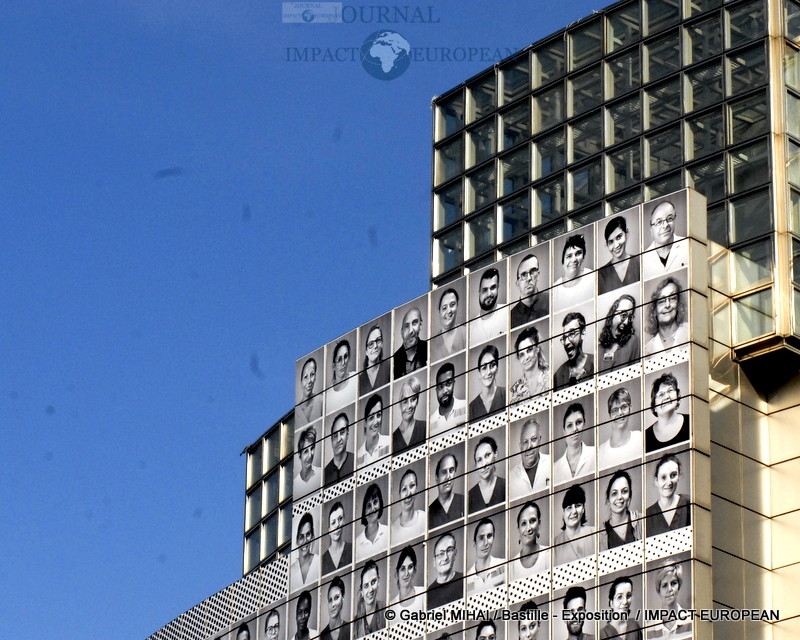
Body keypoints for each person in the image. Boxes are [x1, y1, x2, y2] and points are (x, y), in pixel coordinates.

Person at [642, 201, 689, 279]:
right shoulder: (643, 260)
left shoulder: (688, 245)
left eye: (670, 218)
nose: (665, 225)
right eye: (659, 222)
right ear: (651, 230)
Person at [646, 454, 690, 535]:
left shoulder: (688, 503)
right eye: (663, 477)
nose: (669, 482)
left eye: (673, 475)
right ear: (656, 481)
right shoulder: (647, 514)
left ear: (679, 477)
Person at [645, 373, 690, 453]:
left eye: (670, 391)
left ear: (677, 396)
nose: (666, 397)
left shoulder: (691, 421)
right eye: (661, 394)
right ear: (654, 406)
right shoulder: (645, 437)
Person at [599, 388, 643, 469]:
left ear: (630, 409)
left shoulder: (641, 438)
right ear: (609, 415)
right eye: (615, 410)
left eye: (624, 407)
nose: (620, 413)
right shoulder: (600, 452)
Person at [644, 277, 689, 355]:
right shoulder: (647, 350)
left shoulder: (690, 331)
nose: (667, 305)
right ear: (654, 310)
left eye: (672, 298)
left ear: (678, 303)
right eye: (661, 301)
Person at [553, 403, 596, 485]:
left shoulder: (596, 453)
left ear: (584, 424)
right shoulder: (554, 469)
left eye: (578, 422)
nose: (575, 429)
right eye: (569, 425)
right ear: (564, 431)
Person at [600, 470, 641, 551]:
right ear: (608, 500)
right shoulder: (600, 535)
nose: (619, 497)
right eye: (614, 493)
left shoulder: (642, 521)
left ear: (629, 496)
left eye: (624, 491)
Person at [648, 562, 692, 638]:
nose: (669, 589)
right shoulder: (649, 628)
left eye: (673, 583)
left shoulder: (691, 621)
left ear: (679, 586)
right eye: (664, 585)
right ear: (659, 590)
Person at [598, 216, 640, 295]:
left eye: (619, 237)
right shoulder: (600, 275)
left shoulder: (639, 262)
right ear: (607, 244)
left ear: (626, 234)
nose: (616, 245)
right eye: (611, 242)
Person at [509, 418, 551, 496]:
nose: (529, 446)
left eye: (533, 439)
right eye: (525, 442)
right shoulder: (510, 478)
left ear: (540, 440)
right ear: (520, 446)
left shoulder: (551, 462)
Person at [598, 295, 640, 371]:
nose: (626, 322)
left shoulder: (633, 341)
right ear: (612, 314)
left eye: (630, 317)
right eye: (623, 315)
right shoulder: (598, 350)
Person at [554, 484, 594, 565]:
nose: (574, 511)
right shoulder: (555, 543)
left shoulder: (596, 534)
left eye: (578, 506)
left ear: (583, 509)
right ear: (563, 512)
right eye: (569, 507)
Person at [510, 501, 549, 580]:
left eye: (532, 521)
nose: (528, 528)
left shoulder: (548, 554)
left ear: (539, 524)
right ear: (518, 529)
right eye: (523, 523)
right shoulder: (511, 566)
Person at [553, 312, 594, 389]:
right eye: (564, 337)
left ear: (582, 333)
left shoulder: (596, 362)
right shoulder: (557, 377)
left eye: (572, 334)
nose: (566, 342)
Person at [553, 235, 594, 310]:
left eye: (578, 253)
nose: (574, 259)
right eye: (569, 256)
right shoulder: (555, 289)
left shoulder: (592, 276)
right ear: (563, 262)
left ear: (583, 257)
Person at [510, 326, 550, 402]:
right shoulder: (514, 391)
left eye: (529, 350)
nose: (526, 357)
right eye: (522, 354)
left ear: (537, 348)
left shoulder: (550, 377)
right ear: (518, 358)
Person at [469, 344, 507, 421]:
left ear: (497, 368)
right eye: (484, 368)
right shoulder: (472, 407)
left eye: (492, 365)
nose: (488, 372)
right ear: (479, 373)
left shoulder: (506, 394)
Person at [468, 436, 506, 512]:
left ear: (495, 455)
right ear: (476, 465)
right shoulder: (469, 496)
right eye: (479, 460)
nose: (484, 464)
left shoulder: (505, 485)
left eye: (487, 455)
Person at [466, 517, 505, 593]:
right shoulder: (467, 579)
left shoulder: (503, 565)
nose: (486, 543)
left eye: (489, 536)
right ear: (474, 543)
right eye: (481, 538)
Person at [427, 532, 464, 609]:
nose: (445, 558)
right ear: (434, 561)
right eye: (441, 554)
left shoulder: (465, 580)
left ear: (455, 554)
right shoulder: (428, 594)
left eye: (449, 550)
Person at [511, 254, 549, 328]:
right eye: (523, 274)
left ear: (538, 275)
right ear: (517, 283)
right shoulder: (510, 317)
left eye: (532, 271)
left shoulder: (551, 299)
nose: (529, 278)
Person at [428, 453, 465, 529]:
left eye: (451, 471)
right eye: (444, 472)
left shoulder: (464, 501)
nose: (448, 477)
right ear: (437, 478)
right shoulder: (429, 512)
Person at [391, 469, 426, 545]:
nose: (408, 493)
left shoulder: (425, 518)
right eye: (404, 489)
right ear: (399, 495)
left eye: (412, 486)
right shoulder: (392, 530)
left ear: (416, 490)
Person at [471, 268, 506, 344]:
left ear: (498, 288)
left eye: (493, 288)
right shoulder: (470, 328)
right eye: (484, 290)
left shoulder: (508, 311)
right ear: (479, 292)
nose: (489, 294)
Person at [430, 362, 467, 435]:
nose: (444, 391)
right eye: (440, 386)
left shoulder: (466, 406)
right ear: (436, 390)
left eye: (448, 383)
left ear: (453, 383)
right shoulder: (430, 422)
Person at [392, 375, 426, 452]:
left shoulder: (424, 427)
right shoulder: (392, 439)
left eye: (413, 399)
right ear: (400, 404)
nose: (409, 405)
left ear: (417, 401)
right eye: (405, 401)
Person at [388, 547, 425, 616]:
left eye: (410, 567)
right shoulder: (391, 607)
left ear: (414, 570)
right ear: (397, 573)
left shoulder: (423, 593)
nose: (406, 573)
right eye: (402, 569)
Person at [353, 560, 386, 638]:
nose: (370, 589)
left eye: (373, 582)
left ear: (378, 582)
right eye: (366, 586)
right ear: (362, 591)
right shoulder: (355, 623)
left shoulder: (386, 608)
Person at [355, 483, 388, 561]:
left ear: (380, 504)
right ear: (364, 512)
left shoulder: (388, 531)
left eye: (375, 502)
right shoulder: (356, 543)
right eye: (369, 506)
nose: (373, 509)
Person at [431, 288, 466, 359]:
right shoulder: (431, 344)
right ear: (439, 312)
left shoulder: (466, 332)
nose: (449, 311)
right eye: (444, 308)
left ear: (457, 306)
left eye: (452, 305)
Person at [393, 307, 427, 377]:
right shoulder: (394, 360)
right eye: (406, 326)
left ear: (420, 325)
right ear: (401, 332)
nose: (411, 330)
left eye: (414, 323)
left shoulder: (429, 348)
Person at [290, 512, 320, 592]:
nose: (305, 541)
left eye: (308, 534)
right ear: (297, 541)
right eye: (301, 537)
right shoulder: (290, 571)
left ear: (312, 536)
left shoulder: (319, 562)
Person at [357, 394, 390, 465]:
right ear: (365, 423)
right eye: (371, 417)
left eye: (378, 415)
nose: (375, 422)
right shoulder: (358, 456)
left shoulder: (389, 442)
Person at [321, 501, 352, 575]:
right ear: (329, 530)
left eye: (340, 519)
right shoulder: (323, 560)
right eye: (333, 522)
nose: (337, 525)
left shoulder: (352, 548)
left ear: (344, 521)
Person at [359, 325, 390, 396]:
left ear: (382, 344)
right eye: (371, 344)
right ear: (366, 351)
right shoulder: (360, 379)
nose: (375, 346)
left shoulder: (389, 366)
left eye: (378, 340)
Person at [325, 413, 354, 485]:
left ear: (347, 434)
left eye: (342, 432)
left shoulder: (355, 461)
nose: (338, 439)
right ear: (331, 440)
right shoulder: (324, 474)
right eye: (335, 435)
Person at [328, 340, 357, 412]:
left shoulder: (355, 377)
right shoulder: (328, 395)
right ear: (334, 365)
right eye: (339, 359)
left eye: (346, 356)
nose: (343, 363)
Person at [294, 426, 321, 497]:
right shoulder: (295, 484)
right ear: (299, 454)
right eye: (306, 451)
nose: (310, 455)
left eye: (312, 449)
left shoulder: (321, 473)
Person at [297, 357, 322, 426]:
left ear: (315, 377)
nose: (309, 381)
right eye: (305, 377)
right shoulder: (296, 412)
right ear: (301, 382)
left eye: (312, 375)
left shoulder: (321, 400)